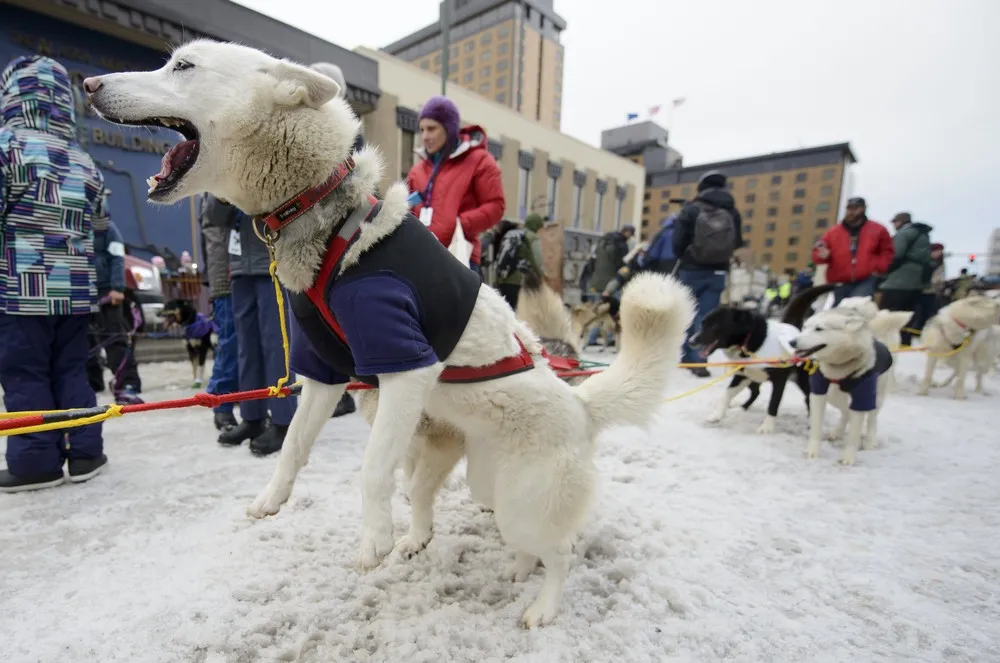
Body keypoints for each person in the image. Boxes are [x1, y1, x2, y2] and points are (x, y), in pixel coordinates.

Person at [0, 55, 109, 492]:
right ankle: (86, 453)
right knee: (71, 371)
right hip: (76, 291)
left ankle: (35, 463)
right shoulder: (83, 160)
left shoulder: (7, 146)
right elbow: (100, 226)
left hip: (18, 290)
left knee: (24, 373)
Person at [201, 196, 298, 455]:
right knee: (247, 347)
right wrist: (222, 198)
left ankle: (283, 420)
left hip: (272, 261)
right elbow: (212, 217)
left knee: (276, 345)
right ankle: (252, 416)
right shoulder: (223, 160)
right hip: (240, 267)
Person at [406, 96, 505, 276]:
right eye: (422, 129)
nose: (425, 136)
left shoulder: (480, 161)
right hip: (422, 259)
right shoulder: (417, 170)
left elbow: (496, 205)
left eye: (431, 129)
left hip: (460, 258)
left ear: (449, 128)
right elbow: (408, 211)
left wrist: (461, 224)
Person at [672, 170, 743, 376]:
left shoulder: (691, 209)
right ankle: (698, 359)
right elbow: (737, 241)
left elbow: (677, 242)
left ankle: (688, 355)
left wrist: (688, 255)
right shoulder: (732, 212)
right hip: (718, 271)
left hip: (691, 269)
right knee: (707, 316)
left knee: (687, 312)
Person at [87, 199, 143, 404]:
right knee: (85, 342)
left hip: (107, 293)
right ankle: (91, 383)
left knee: (115, 340)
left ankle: (127, 384)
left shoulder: (108, 229)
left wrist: (117, 288)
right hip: (82, 292)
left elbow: (118, 258)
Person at [199, 193, 239, 432]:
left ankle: (242, 398)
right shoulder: (214, 191)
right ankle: (222, 404)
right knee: (230, 342)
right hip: (227, 277)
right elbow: (214, 231)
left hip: (243, 274)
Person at [811, 197, 894, 305]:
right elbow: (818, 250)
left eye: (855, 208)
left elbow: (887, 251)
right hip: (839, 280)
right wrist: (822, 255)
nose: (851, 212)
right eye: (849, 208)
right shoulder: (833, 232)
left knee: (857, 308)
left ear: (863, 209)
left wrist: (878, 267)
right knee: (839, 312)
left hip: (866, 279)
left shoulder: (878, 230)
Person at [878, 212, 933, 346]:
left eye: (894, 222)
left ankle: (885, 341)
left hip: (899, 280)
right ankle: (905, 341)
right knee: (907, 314)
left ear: (901, 222)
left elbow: (895, 254)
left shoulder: (905, 233)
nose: (893, 225)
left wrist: (884, 272)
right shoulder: (923, 235)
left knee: (888, 312)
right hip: (917, 281)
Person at [494, 214, 545, 310]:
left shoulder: (512, 233)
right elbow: (538, 261)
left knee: (503, 309)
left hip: (503, 278)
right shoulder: (532, 237)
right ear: (537, 225)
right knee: (515, 312)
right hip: (517, 281)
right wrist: (543, 277)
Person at [912, 242, 945, 334]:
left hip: (932, 291)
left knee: (929, 312)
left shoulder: (940, 262)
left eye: (940, 251)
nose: (939, 253)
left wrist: (939, 284)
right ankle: (917, 329)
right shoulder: (925, 261)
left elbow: (940, 275)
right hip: (921, 290)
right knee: (918, 312)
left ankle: (925, 329)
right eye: (937, 251)